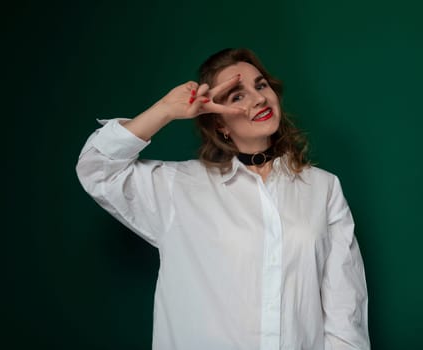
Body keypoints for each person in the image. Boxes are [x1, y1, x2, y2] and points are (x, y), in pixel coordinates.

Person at [76, 48, 370, 350]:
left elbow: (345, 315)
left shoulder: (323, 188)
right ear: (220, 125)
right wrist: (165, 109)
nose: (258, 99)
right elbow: (96, 169)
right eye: (236, 96)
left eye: (260, 85)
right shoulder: (178, 188)